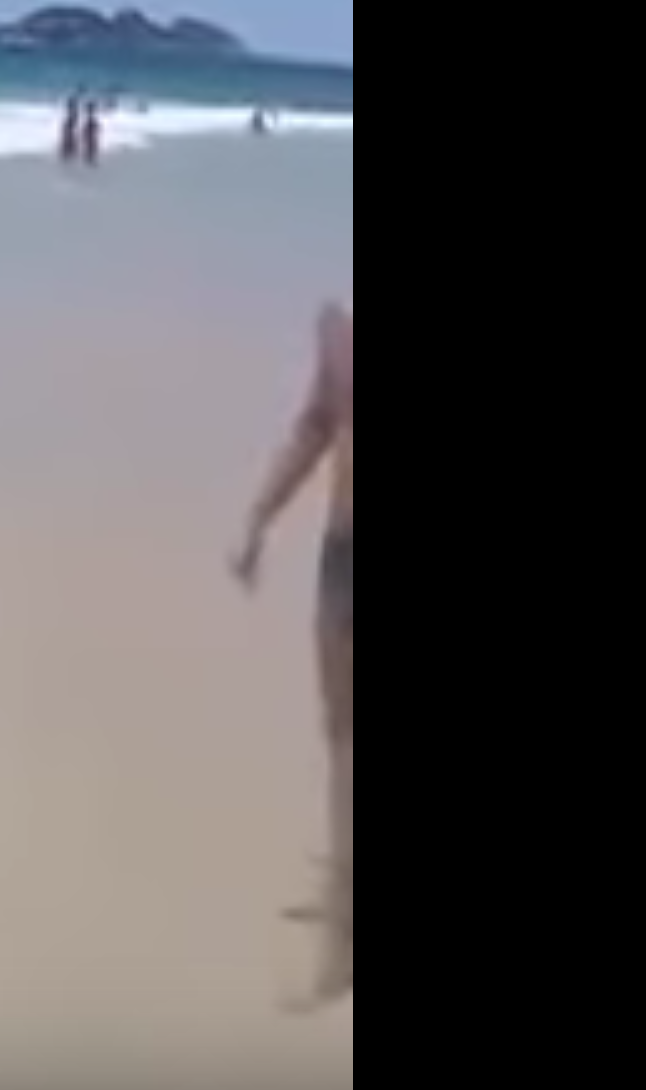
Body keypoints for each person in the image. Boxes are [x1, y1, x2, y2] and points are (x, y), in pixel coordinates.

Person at [230, 300, 354, 1014]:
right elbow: (314, 429)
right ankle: (345, 906)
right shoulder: (338, 327)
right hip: (343, 557)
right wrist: (258, 520)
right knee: (341, 736)